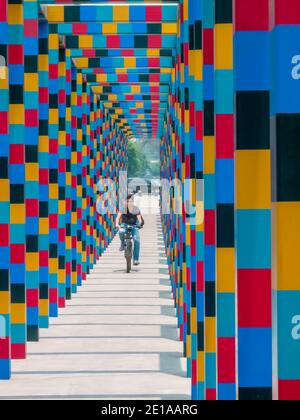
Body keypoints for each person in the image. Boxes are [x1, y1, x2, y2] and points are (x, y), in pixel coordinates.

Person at [115, 194, 143, 266]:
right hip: (124, 225)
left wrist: (139, 224)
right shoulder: (123, 208)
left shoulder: (136, 209)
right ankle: (122, 243)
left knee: (136, 240)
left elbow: (139, 219)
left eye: (131, 201)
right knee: (121, 231)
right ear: (126, 202)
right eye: (128, 201)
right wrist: (117, 224)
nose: (129, 203)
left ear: (133, 202)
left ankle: (136, 259)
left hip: (134, 225)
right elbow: (118, 218)